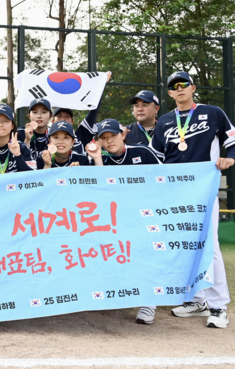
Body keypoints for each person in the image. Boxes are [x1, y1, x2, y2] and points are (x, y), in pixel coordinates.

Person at [150, 71, 235, 329]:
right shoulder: (165, 121)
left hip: (203, 190)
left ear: (193, 88)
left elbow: (234, 141)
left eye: (184, 84)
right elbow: (155, 158)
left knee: (209, 246)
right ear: (170, 93)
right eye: (174, 86)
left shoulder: (212, 113)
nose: (179, 88)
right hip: (173, 193)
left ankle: (218, 306)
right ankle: (197, 300)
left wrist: (230, 158)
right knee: (183, 246)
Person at [84, 118, 161, 325]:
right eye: (104, 138)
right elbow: (99, 189)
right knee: (113, 256)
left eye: (113, 135)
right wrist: (97, 159)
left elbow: (163, 178)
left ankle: (149, 303)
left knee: (145, 257)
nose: (109, 141)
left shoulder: (143, 152)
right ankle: (116, 296)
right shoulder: (99, 159)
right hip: (113, 220)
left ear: (123, 134)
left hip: (143, 216)